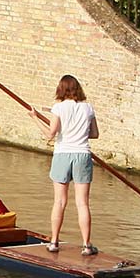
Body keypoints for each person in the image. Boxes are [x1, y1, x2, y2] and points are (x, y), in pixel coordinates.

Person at [44, 74, 101, 255]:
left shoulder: (58, 108)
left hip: (62, 155)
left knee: (59, 201)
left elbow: (50, 134)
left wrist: (33, 117)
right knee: (82, 203)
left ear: (61, 89)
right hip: (82, 155)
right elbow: (94, 134)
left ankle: (54, 242)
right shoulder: (88, 108)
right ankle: (86, 245)